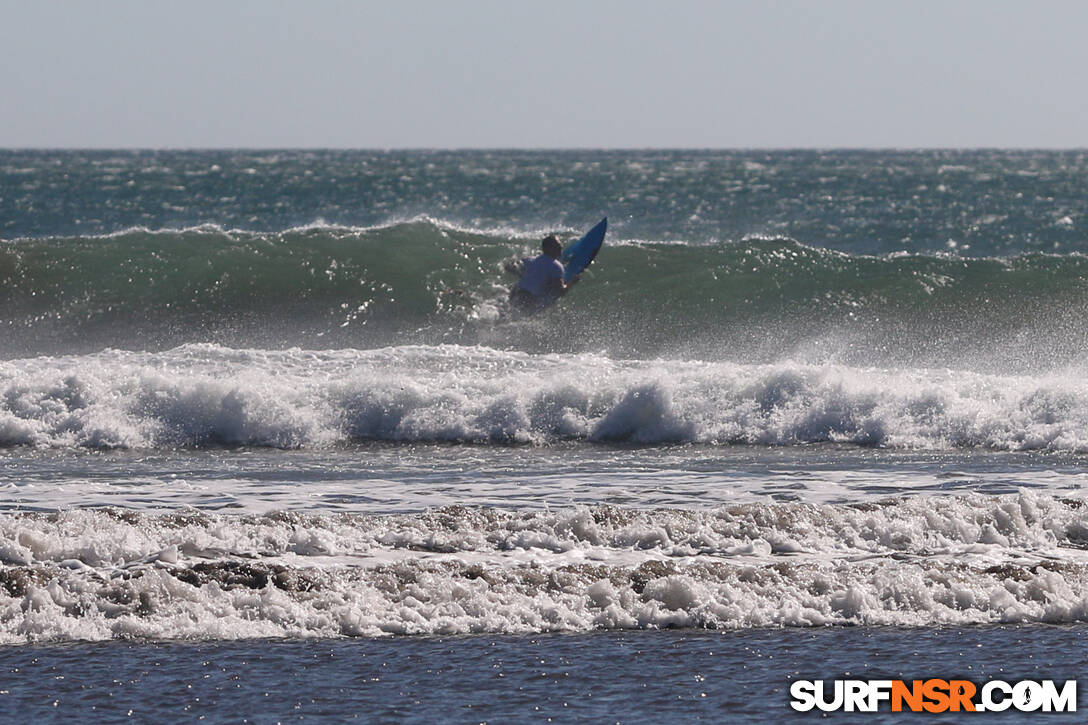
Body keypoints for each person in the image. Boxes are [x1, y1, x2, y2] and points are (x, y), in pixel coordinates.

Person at [508, 234, 579, 313]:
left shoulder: (530, 259)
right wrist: (573, 281)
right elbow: (560, 291)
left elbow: (509, 267)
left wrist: (523, 275)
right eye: (558, 245)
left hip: (515, 293)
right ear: (549, 248)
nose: (561, 247)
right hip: (528, 299)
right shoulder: (556, 266)